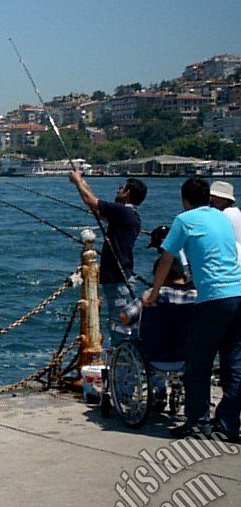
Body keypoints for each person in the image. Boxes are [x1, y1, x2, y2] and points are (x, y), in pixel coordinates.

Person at [144, 177, 241, 442]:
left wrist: (153, 294)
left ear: (184, 199)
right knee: (234, 362)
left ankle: (198, 423)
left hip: (213, 298)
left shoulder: (184, 220)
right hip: (238, 291)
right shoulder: (222, 218)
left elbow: (166, 259)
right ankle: (228, 423)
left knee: (198, 362)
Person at [69, 171, 147, 344]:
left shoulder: (123, 212)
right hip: (119, 278)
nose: (117, 190)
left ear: (127, 193)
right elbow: (95, 206)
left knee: (120, 326)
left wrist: (77, 182)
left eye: (121, 188)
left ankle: (122, 365)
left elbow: (92, 201)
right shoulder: (126, 214)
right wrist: (82, 182)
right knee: (121, 323)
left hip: (118, 280)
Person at [209, 180, 241, 253]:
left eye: (213, 197)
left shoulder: (226, 214)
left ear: (225, 200)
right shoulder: (236, 213)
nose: (210, 200)